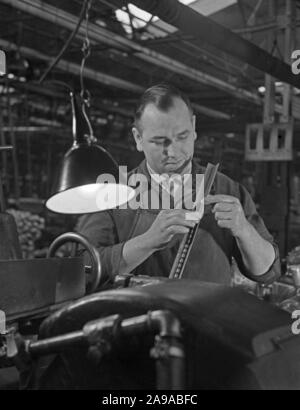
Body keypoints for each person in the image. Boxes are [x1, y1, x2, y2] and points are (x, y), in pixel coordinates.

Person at [78, 84, 280, 286]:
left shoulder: (227, 189)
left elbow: (267, 272)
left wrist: (244, 230)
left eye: (182, 137)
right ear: (138, 139)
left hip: (209, 316)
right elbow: (84, 269)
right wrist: (148, 241)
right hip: (137, 316)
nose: (173, 152)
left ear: (193, 127)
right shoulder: (112, 193)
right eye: (159, 141)